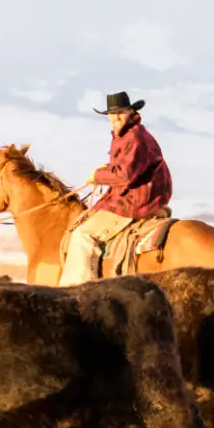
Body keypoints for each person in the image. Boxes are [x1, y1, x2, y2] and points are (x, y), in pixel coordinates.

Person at [59, 91, 173, 285]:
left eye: (120, 112)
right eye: (112, 114)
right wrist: (106, 170)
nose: (116, 117)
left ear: (130, 111)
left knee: (83, 235)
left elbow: (125, 175)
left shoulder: (133, 137)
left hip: (135, 201)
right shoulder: (127, 135)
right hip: (138, 196)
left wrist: (98, 176)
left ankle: (80, 291)